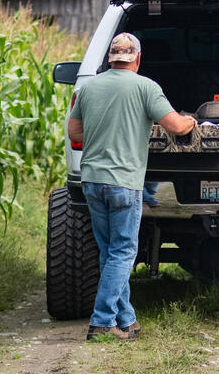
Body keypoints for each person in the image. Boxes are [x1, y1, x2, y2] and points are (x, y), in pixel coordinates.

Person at [67, 32, 197, 341]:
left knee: (110, 251)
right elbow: (176, 126)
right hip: (124, 182)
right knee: (123, 251)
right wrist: (190, 121)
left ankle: (126, 319)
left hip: (92, 180)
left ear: (111, 58)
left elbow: (74, 130)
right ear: (136, 59)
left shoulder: (88, 87)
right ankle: (101, 322)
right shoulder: (145, 87)